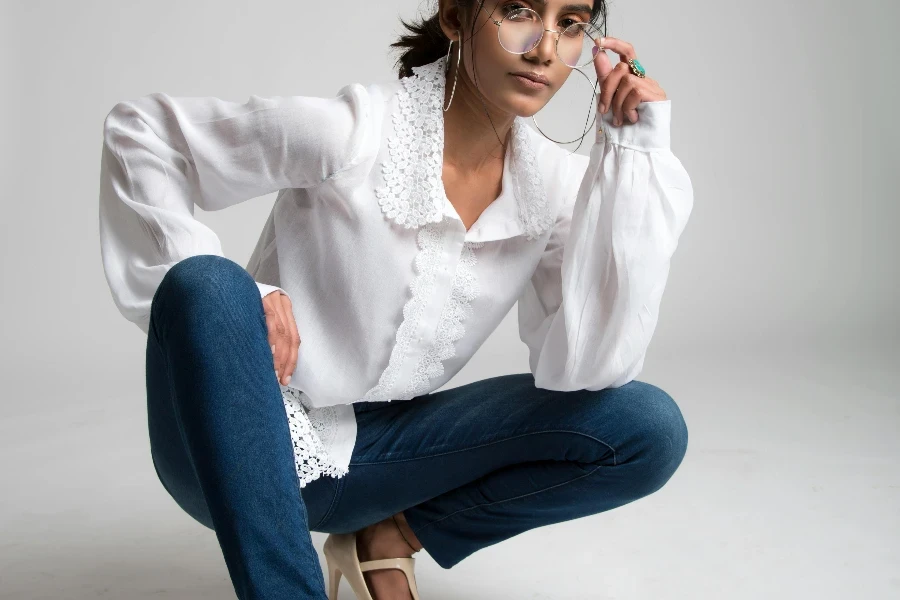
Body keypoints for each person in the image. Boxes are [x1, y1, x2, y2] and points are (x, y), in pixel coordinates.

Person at [98, 0, 694, 598]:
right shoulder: (356, 132)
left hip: (378, 458)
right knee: (210, 284)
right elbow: (142, 134)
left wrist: (633, 155)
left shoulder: (554, 190)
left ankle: (387, 536)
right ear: (456, 17)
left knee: (647, 427)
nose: (543, 47)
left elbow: (587, 368)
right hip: (226, 447)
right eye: (518, 11)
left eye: (570, 23)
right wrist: (248, 298)